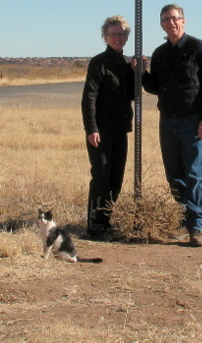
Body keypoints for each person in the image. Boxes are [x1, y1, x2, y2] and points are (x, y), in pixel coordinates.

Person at [140, 4, 202, 247]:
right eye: (166, 19)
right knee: (174, 175)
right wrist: (141, 72)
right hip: (168, 122)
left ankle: (196, 226)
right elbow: (155, 87)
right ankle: (182, 216)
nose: (171, 22)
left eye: (175, 18)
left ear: (183, 21)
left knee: (195, 174)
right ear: (162, 25)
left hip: (193, 121)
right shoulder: (160, 53)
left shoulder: (198, 47)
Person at [81, 15, 135, 238]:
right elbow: (89, 97)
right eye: (113, 34)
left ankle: (106, 221)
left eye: (121, 34)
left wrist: (137, 71)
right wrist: (91, 128)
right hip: (100, 130)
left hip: (120, 129)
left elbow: (132, 94)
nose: (118, 37)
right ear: (105, 37)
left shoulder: (126, 64)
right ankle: (94, 226)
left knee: (116, 177)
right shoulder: (98, 62)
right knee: (101, 176)